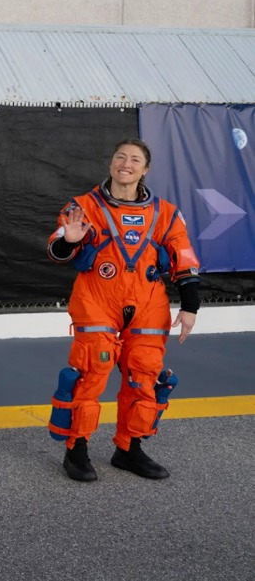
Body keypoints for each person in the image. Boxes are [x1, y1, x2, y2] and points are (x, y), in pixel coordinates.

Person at [46, 138, 200, 482]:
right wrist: (68, 240)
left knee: (143, 376)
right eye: (120, 157)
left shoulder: (166, 213)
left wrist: (190, 306)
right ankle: (77, 448)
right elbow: (57, 252)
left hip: (148, 303)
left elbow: (184, 260)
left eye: (134, 160)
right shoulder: (82, 206)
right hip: (97, 300)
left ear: (145, 170)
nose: (125, 164)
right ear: (111, 163)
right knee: (90, 374)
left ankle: (129, 449)